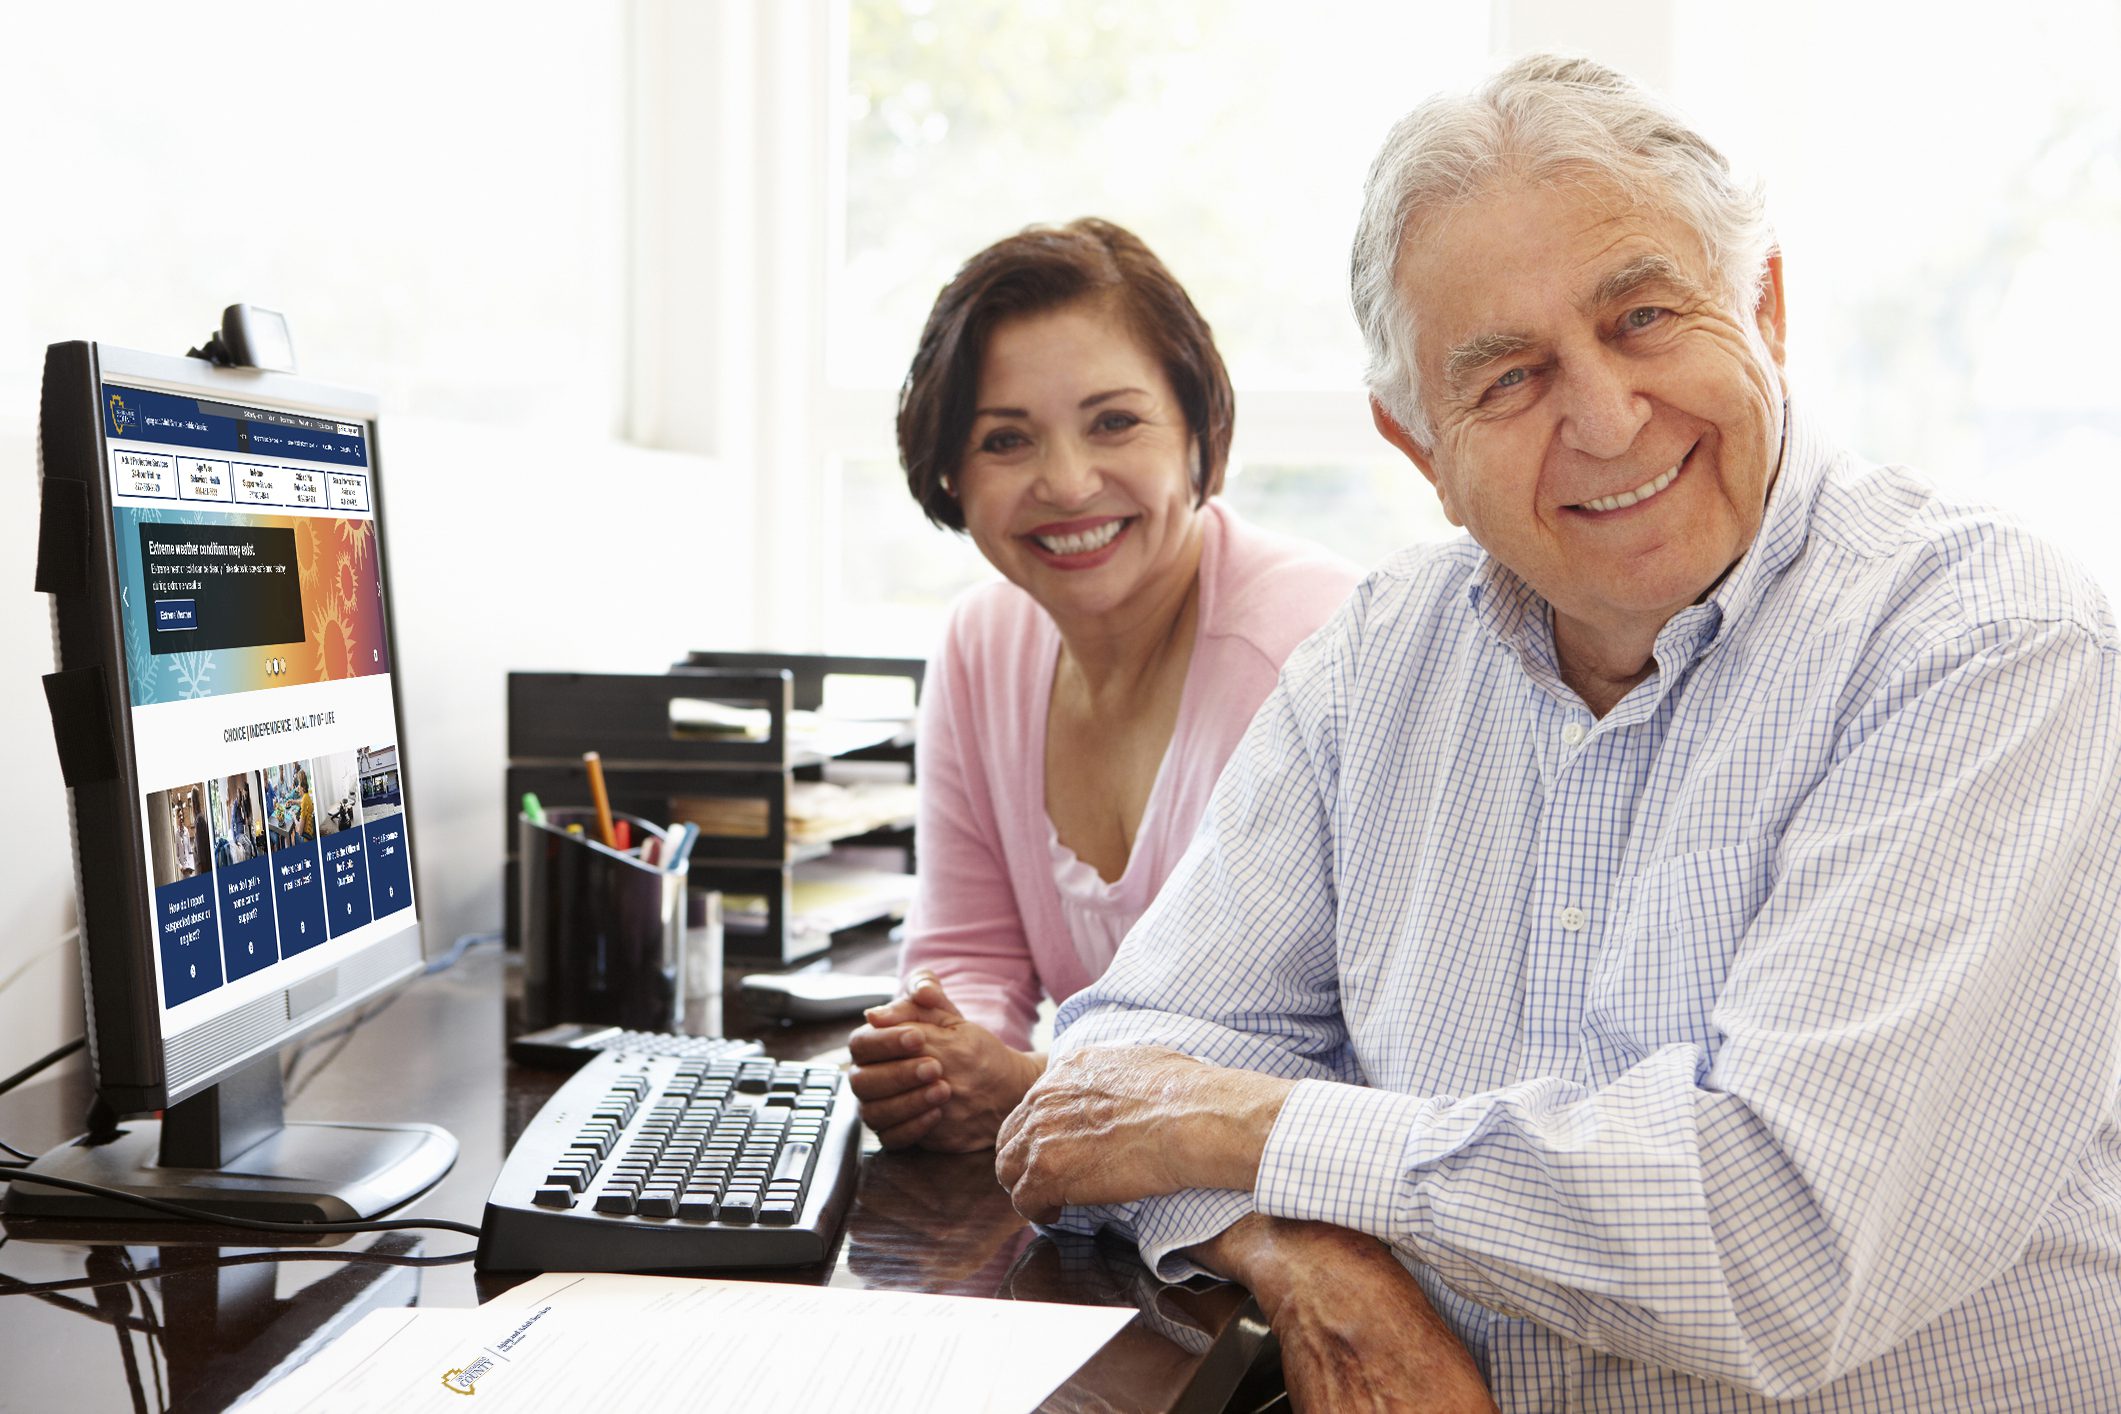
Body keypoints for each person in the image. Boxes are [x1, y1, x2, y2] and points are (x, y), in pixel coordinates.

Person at [997, 54, 2121, 1411]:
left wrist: (1254, 1125)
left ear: (1762, 305)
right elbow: (1117, 1072)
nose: (1601, 415)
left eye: (1644, 316)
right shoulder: (1377, 658)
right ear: (1419, 447)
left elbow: (1771, 1236)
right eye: (1507, 377)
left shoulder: (1986, 641)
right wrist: (1301, 1250)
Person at [850, 219, 1361, 1153]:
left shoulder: (1305, 645)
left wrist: (1022, 1089)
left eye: (1113, 422)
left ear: (1198, 430)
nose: (1067, 481)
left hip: (1308, 1215)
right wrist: (935, 1059)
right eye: (1006, 440)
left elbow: (1308, 1060)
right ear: (950, 474)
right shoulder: (980, 643)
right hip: (1117, 1206)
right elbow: (967, 954)